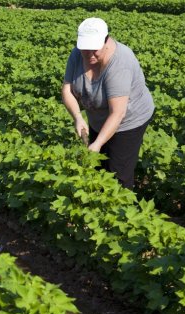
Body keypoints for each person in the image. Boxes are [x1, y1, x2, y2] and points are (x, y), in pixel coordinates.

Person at [61, 17, 154, 189]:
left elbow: (118, 113)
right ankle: (97, 205)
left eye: (94, 49)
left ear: (106, 41)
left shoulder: (120, 63)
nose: (89, 54)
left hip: (128, 121)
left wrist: (97, 143)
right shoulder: (77, 54)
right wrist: (78, 117)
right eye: (85, 49)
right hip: (98, 115)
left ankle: (122, 208)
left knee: (117, 172)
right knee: (97, 166)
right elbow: (67, 90)